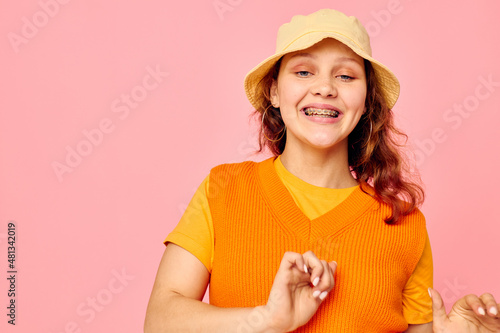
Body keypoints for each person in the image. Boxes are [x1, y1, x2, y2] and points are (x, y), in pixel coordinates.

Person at [144, 8, 500, 332]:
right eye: (303, 71)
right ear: (274, 92)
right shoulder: (223, 188)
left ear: (365, 103)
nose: (326, 88)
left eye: (345, 76)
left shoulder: (405, 224)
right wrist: (266, 320)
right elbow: (159, 320)